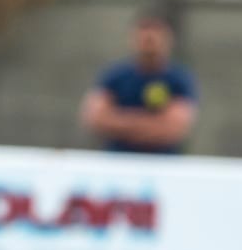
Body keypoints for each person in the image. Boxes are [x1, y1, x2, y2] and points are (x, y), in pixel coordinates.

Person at [79, 8, 199, 153]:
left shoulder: (179, 79)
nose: (149, 40)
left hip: (164, 165)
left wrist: (118, 121)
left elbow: (174, 129)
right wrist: (153, 124)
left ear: (169, 39)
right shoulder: (114, 75)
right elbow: (94, 119)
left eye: (155, 34)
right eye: (143, 34)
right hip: (117, 162)